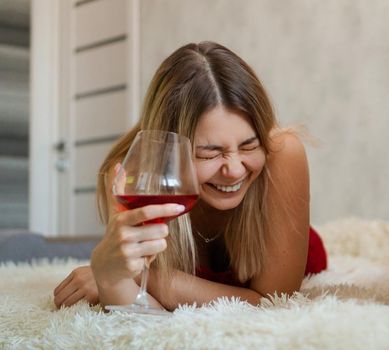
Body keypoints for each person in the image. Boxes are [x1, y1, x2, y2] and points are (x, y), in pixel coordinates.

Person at [53, 41, 327, 310]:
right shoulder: (134, 173)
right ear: (168, 153)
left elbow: (275, 304)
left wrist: (146, 278)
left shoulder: (281, 152)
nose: (233, 170)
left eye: (248, 145)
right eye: (209, 154)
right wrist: (110, 277)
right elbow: (138, 319)